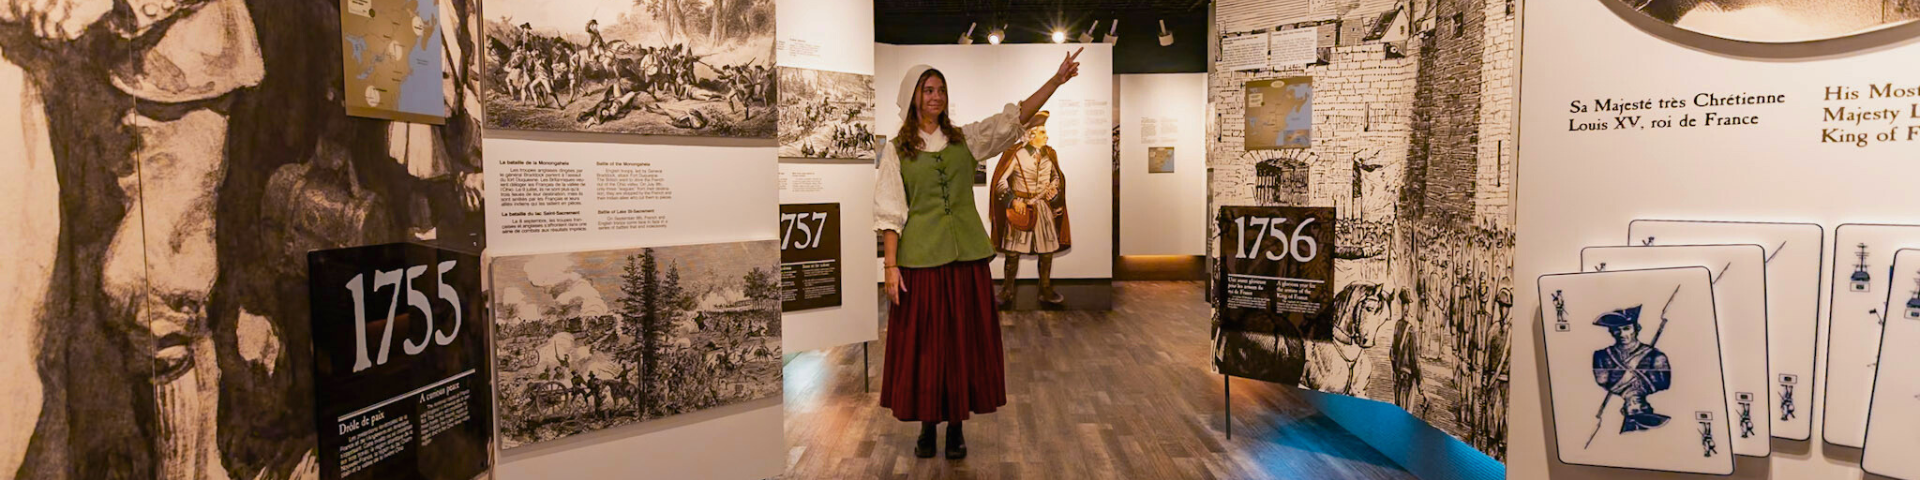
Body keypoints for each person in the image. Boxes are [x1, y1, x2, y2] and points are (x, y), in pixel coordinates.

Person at [876, 48, 1082, 460]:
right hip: (921, 265)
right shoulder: (898, 151)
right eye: (928, 90)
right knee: (926, 349)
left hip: (965, 263)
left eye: (941, 90)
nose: (936, 97)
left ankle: (955, 427)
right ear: (913, 96)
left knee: (960, 346)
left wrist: (1056, 82)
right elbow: (890, 213)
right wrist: (891, 267)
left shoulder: (965, 139)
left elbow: (1016, 118)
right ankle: (927, 426)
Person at [990, 111, 1072, 305]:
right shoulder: (1016, 155)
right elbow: (1000, 182)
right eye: (1043, 132)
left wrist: (1055, 190)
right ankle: (1007, 290)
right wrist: (1013, 201)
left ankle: (1045, 289)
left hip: (1043, 208)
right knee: (1013, 252)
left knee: (1046, 251)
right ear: (1032, 134)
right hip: (1021, 209)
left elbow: (1056, 177)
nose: (1047, 136)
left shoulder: (1049, 154)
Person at [1591, 305, 1673, 433]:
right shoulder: (1601, 356)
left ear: (1636, 329)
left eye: (1626, 328)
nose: (1622, 334)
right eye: (1617, 330)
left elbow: (1603, 379)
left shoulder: (1657, 358)